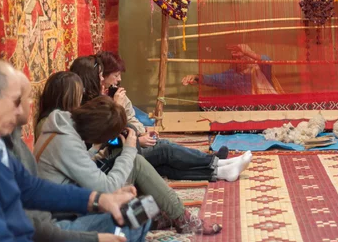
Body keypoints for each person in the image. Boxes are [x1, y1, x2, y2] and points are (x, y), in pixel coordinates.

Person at [0, 59, 181, 242]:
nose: (23, 110)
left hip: (48, 229)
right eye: (17, 100)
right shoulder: (52, 137)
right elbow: (22, 240)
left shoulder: (2, 146)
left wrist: (99, 199)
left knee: (141, 210)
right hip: (50, 229)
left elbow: (33, 189)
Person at [34, 72, 196, 234]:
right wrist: (129, 150)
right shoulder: (64, 140)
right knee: (137, 163)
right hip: (67, 213)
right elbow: (106, 188)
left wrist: (99, 150)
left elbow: (77, 167)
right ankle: (175, 218)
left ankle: (170, 216)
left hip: (73, 197)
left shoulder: (62, 124)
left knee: (141, 162)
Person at [95, 51, 250, 181]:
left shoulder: (114, 93)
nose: (119, 79)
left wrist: (143, 132)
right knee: (165, 149)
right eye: (115, 75)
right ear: (101, 76)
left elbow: (131, 118)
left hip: (131, 144)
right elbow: (106, 138)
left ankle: (221, 172)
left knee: (166, 167)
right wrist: (133, 134)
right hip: (115, 155)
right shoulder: (96, 103)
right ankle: (217, 162)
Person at [182, 44, 283, 95]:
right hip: (249, 111)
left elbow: (268, 61)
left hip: (269, 107)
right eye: (235, 58)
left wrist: (248, 53)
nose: (238, 60)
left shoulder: (260, 69)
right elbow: (212, 79)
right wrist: (194, 77)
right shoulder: (232, 76)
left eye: (242, 56)